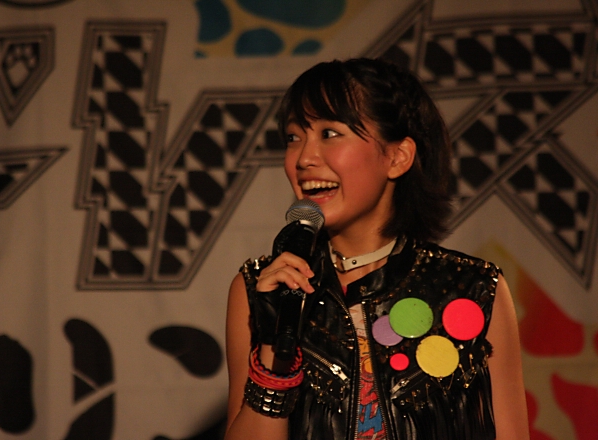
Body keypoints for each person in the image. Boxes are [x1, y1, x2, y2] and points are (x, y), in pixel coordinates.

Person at [224, 57, 529, 440]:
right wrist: (274, 346)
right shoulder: (260, 288)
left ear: (397, 157)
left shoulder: (472, 288)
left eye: (330, 133)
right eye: (293, 137)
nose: (304, 158)